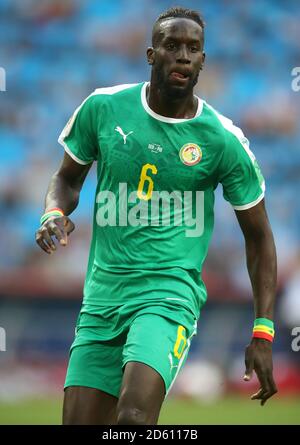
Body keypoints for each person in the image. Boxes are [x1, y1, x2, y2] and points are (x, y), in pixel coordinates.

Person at [35, 7, 278, 425]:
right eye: (172, 46)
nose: (183, 56)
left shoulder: (222, 140)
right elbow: (67, 178)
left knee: (133, 418)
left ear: (203, 60)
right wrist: (54, 211)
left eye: (194, 49)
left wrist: (263, 330)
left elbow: (258, 238)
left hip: (168, 296)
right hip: (102, 298)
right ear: (151, 54)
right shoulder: (103, 108)